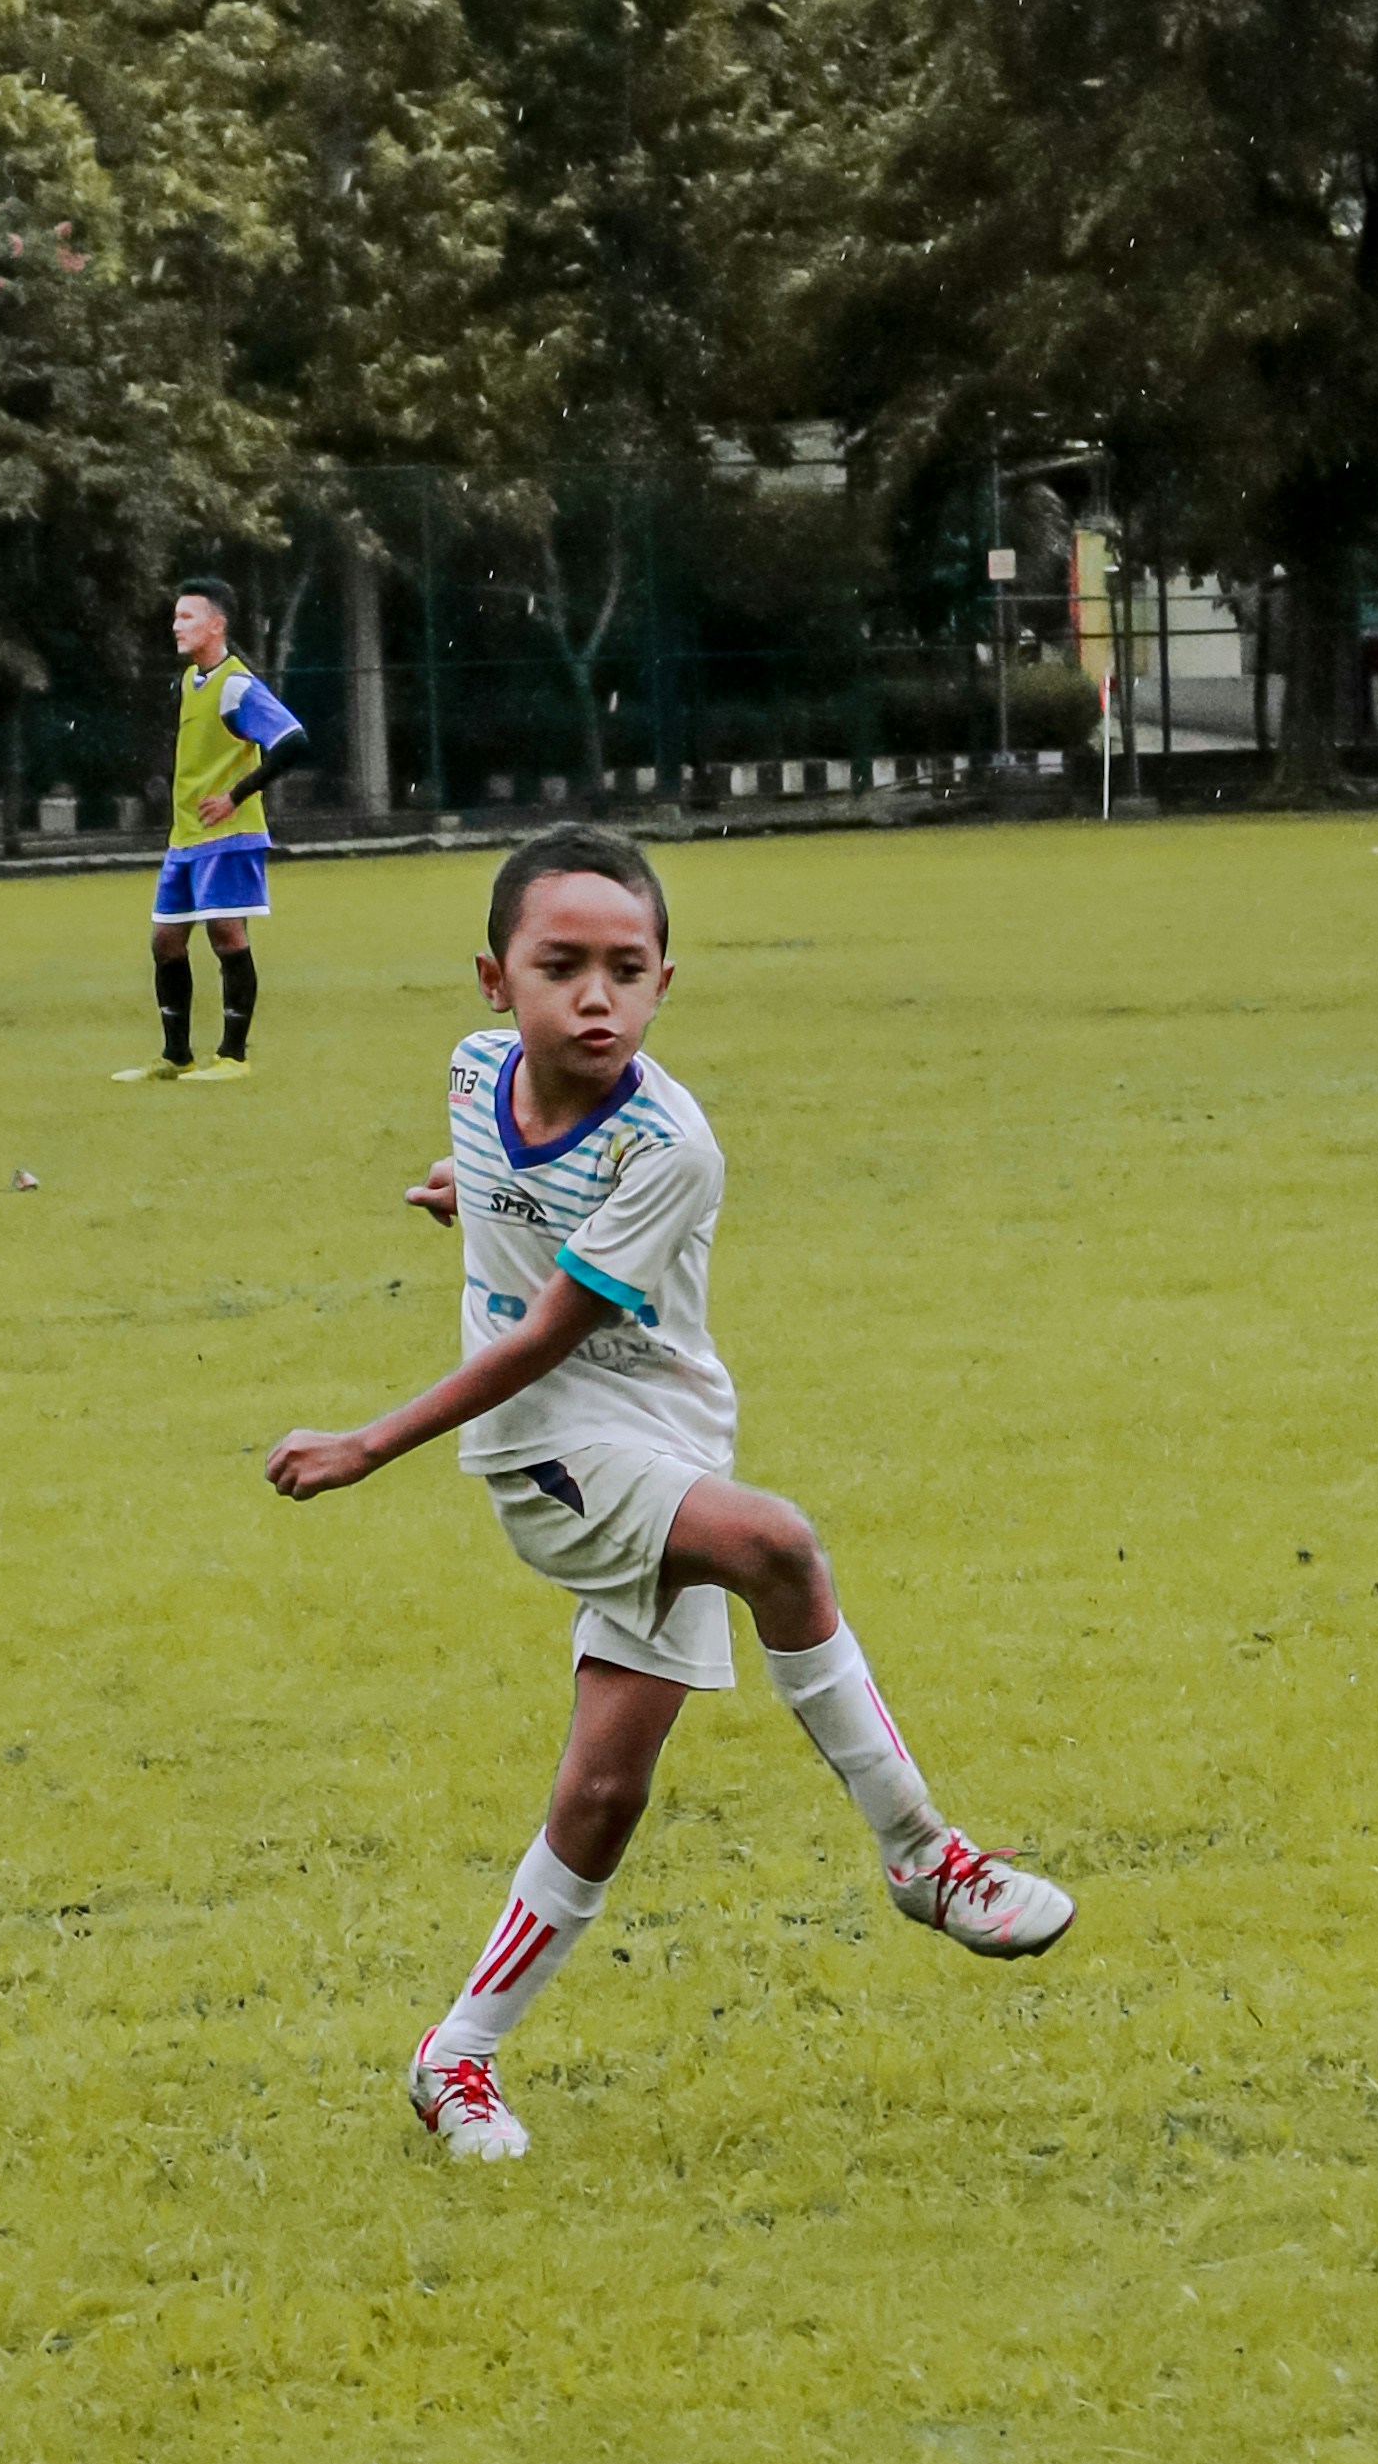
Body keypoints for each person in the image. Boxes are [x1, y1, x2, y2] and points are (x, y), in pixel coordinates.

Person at [265, 823, 1072, 2158]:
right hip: (547, 1448)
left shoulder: (672, 1143)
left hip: (657, 1430)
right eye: (559, 963)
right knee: (780, 1545)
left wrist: (367, 1434)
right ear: (493, 978)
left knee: (603, 1792)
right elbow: (522, 1319)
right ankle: (928, 1855)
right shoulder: (474, 1075)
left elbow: (552, 1313)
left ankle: (454, 2056)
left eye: (624, 968)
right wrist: (457, 1204)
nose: (593, 994)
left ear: (663, 983)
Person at [133, 579, 304, 1079]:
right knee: (166, 939)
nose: (176, 626)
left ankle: (232, 1056)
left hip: (228, 836)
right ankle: (175, 1056)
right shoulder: (189, 681)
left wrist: (235, 796)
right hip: (184, 838)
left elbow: (294, 743)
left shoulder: (237, 684)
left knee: (227, 933)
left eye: (187, 617)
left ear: (216, 624)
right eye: (175, 617)